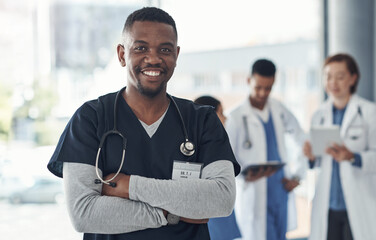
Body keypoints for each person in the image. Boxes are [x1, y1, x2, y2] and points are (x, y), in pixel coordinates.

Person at [47, 7, 240, 240]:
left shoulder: (202, 120)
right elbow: (84, 213)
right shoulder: (90, 119)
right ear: (121, 54)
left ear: (176, 55)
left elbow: (221, 199)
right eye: (141, 48)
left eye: (165, 49)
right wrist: (170, 214)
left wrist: (131, 187)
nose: (153, 58)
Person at [226, 59, 307, 240]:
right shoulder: (235, 117)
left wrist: (298, 175)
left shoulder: (279, 109)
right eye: (258, 87)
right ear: (249, 81)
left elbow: (302, 140)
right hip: (252, 192)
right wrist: (242, 176)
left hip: (280, 189)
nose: (263, 93)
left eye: (268, 88)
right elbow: (226, 159)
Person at [303, 53, 376, 240]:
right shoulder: (319, 114)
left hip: (359, 201)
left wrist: (353, 157)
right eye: (328, 76)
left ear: (353, 78)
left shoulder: (369, 113)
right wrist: (311, 157)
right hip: (329, 204)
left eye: (340, 76)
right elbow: (320, 161)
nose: (333, 82)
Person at [194, 95, 242, 240]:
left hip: (223, 210)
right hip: (209, 215)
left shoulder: (219, 145)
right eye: (221, 113)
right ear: (210, 116)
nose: (225, 118)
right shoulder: (197, 148)